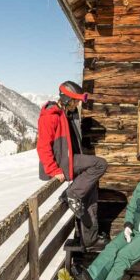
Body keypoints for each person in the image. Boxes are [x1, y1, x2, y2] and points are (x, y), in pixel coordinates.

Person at [37, 80, 107, 248]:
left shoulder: (67, 113)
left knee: (90, 193)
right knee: (100, 164)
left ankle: (90, 238)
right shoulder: (51, 116)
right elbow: (42, 146)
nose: (77, 104)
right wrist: (54, 169)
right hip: (63, 163)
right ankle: (72, 193)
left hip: (72, 159)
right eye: (75, 101)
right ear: (66, 99)